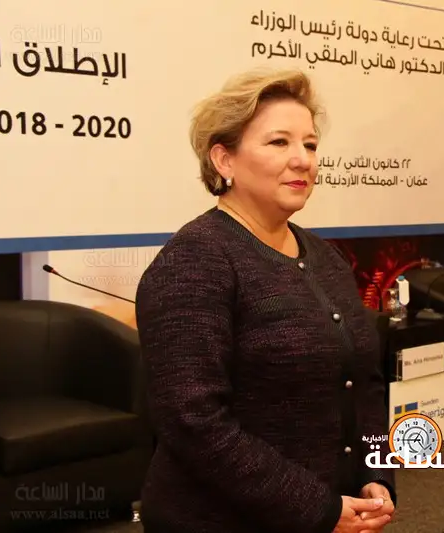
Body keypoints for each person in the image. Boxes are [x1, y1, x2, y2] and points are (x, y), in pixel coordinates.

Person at [134, 69, 396, 533]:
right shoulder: (194, 261)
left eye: (310, 145)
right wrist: (317, 507)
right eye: (279, 142)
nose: (302, 160)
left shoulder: (325, 257)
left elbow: (365, 384)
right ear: (224, 160)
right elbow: (193, 421)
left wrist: (376, 474)